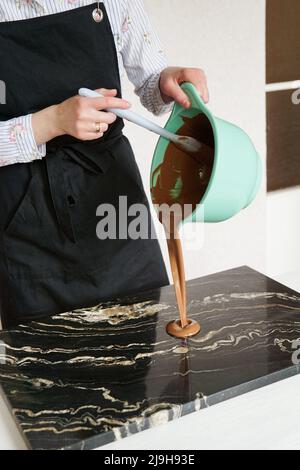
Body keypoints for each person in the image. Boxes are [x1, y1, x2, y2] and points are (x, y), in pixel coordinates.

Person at [0, 0, 209, 329]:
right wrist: (52, 121)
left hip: (117, 206)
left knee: (145, 353)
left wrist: (170, 81)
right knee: (42, 371)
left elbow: (152, 81)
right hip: (25, 221)